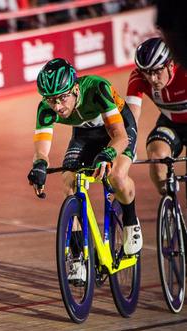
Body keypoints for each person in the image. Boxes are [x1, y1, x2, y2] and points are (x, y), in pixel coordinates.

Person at [27, 58, 143, 280]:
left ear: (76, 89)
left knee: (117, 174)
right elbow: (41, 149)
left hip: (119, 128)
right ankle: (78, 255)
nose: (58, 107)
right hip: (84, 135)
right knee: (69, 182)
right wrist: (39, 165)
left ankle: (130, 220)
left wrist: (108, 155)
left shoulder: (96, 89)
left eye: (62, 98)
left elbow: (119, 137)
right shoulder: (45, 109)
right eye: (52, 100)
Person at [126, 37, 187, 195]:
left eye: (157, 71)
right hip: (171, 123)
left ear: (170, 65)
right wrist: (129, 145)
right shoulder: (138, 78)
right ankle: (170, 207)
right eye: (147, 72)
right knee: (156, 156)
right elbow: (131, 115)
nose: (152, 78)